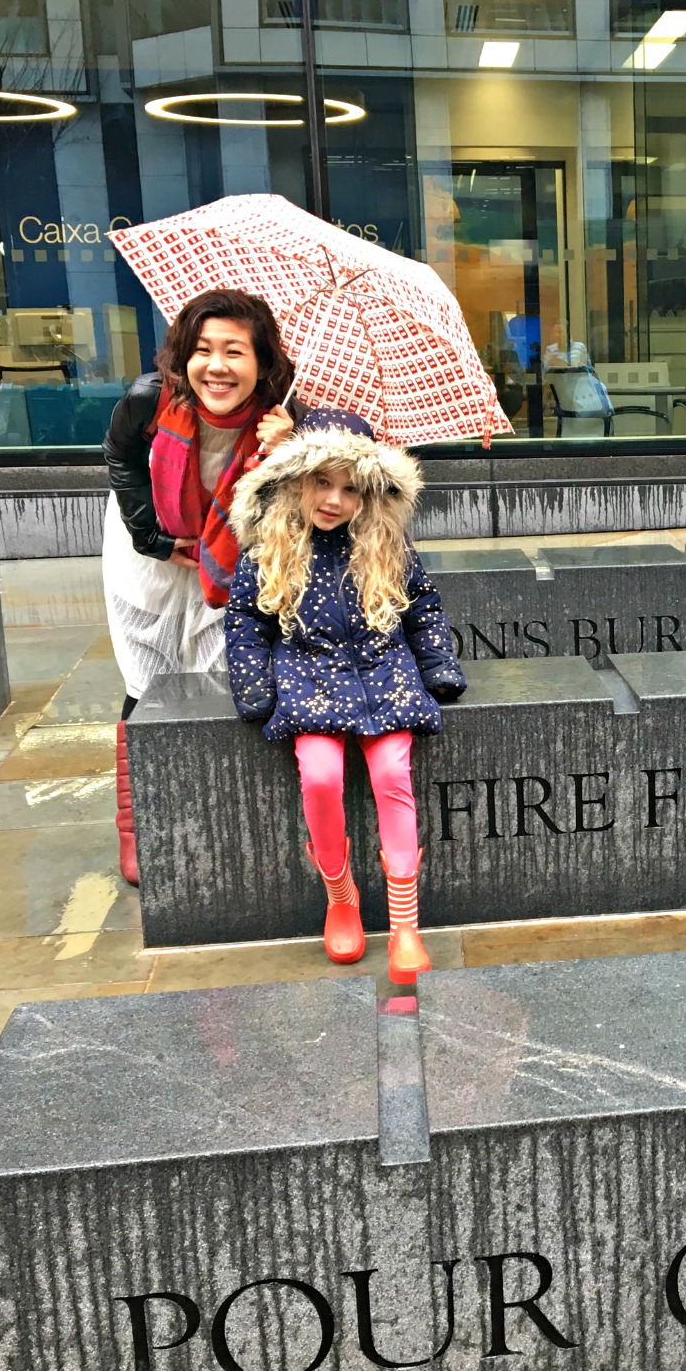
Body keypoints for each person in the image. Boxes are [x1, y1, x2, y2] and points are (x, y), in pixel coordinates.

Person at [222, 420, 464, 987]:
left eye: (350, 487)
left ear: (370, 494)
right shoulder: (269, 548)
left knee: (390, 773)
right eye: (321, 483)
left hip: (386, 677)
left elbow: (422, 608)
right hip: (311, 679)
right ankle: (341, 896)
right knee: (322, 776)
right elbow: (246, 623)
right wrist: (256, 690)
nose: (334, 500)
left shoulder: (386, 544)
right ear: (296, 482)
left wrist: (439, 670)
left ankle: (406, 924)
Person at [101, 289, 295, 884]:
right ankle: (138, 823)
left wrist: (287, 453)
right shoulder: (149, 400)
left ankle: (216, 807)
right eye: (203, 349)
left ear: (262, 363)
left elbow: (304, 507)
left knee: (221, 677)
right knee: (148, 678)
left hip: (230, 556)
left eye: (235, 351)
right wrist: (156, 541)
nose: (216, 366)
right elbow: (120, 460)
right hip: (150, 550)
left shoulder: (281, 420)